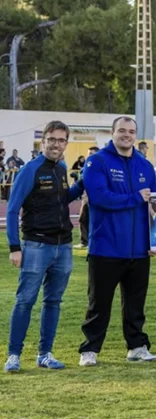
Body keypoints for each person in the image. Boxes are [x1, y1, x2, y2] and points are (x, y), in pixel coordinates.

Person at [77, 116, 156, 367]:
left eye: (131, 131)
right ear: (112, 133)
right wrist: (135, 198)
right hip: (106, 247)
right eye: (122, 130)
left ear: (136, 135)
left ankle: (136, 346)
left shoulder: (144, 165)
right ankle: (89, 349)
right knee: (99, 304)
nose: (127, 135)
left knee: (136, 304)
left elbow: (154, 206)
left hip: (139, 249)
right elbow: (100, 197)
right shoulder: (97, 161)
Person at [4, 121, 85, 373]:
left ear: (66, 144)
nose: (56, 144)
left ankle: (45, 354)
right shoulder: (30, 170)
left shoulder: (61, 168)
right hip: (36, 245)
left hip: (63, 247)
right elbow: (12, 208)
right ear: (43, 141)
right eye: (52, 139)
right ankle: (13, 356)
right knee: (25, 301)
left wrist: (83, 184)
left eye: (61, 140)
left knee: (53, 302)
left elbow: (64, 199)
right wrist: (14, 247)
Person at [77, 146, 100, 248]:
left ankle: (96, 241)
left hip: (98, 196)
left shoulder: (101, 166)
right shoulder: (86, 166)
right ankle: (84, 241)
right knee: (83, 218)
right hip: (86, 195)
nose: (89, 156)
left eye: (91, 153)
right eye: (88, 153)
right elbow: (81, 179)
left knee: (96, 220)